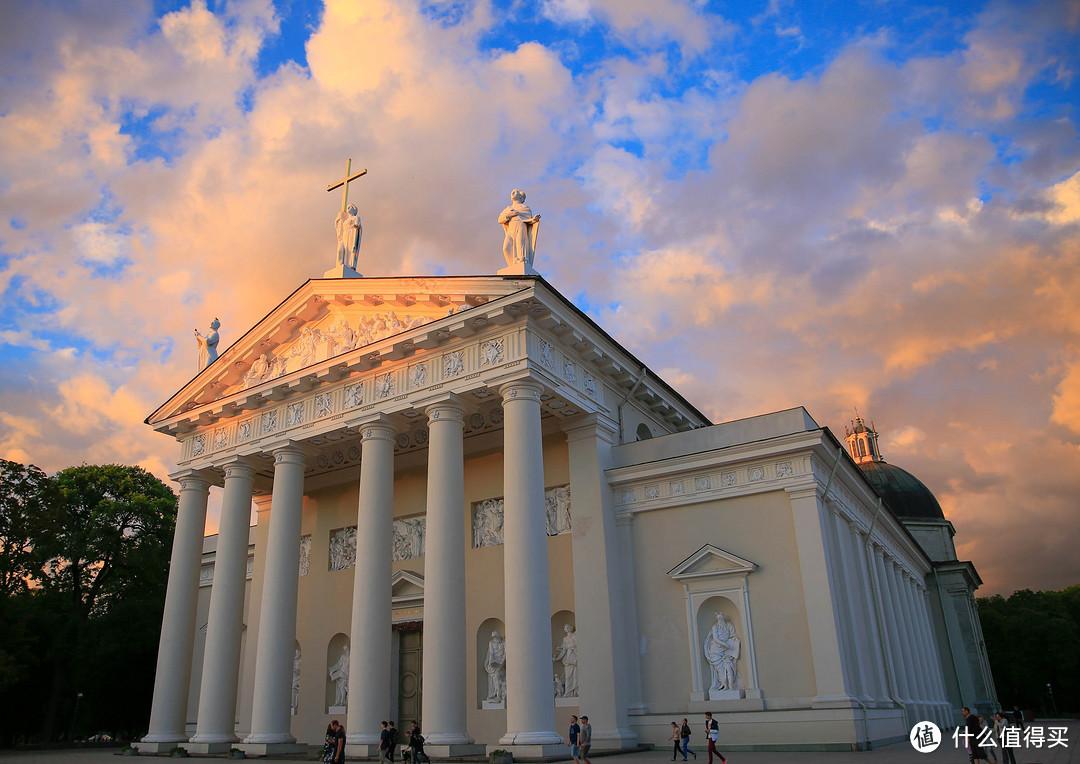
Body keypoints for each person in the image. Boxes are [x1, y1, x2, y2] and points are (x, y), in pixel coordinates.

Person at [498, 189, 541, 268]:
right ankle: (512, 266)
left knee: (520, 245)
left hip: (521, 225)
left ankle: (520, 263)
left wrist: (534, 220)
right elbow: (500, 220)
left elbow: (527, 219)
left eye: (516, 192)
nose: (513, 193)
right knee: (506, 248)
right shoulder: (508, 208)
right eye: (512, 192)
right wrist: (509, 215)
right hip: (511, 228)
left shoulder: (525, 208)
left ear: (521, 197)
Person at [704, 613, 740, 691]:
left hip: (726, 650)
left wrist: (734, 643)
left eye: (721, 619)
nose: (720, 620)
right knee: (720, 669)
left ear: (723, 618)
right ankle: (724, 685)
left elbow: (733, 636)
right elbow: (716, 639)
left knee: (729, 668)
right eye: (719, 619)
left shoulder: (728, 626)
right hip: (715, 650)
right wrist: (725, 644)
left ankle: (730, 686)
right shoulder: (715, 627)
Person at [552, 624, 578, 696]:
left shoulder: (575, 636)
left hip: (574, 655)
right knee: (568, 676)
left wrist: (576, 658)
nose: (566, 628)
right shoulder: (565, 639)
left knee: (575, 675)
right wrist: (556, 659)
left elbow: (578, 646)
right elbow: (564, 651)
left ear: (571, 628)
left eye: (568, 627)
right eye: (565, 627)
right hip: (568, 658)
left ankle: (575, 691)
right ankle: (568, 692)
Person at [335, 203, 362, 269]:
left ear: (354, 209)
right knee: (341, 250)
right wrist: (339, 219)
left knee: (350, 249)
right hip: (345, 235)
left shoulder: (356, 217)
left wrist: (356, 226)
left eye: (350, 207)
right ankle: (341, 264)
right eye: (347, 207)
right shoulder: (345, 220)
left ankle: (350, 265)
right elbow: (339, 228)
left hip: (352, 234)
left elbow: (358, 225)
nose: (348, 209)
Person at [485, 631, 507, 701]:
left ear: (497, 636)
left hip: (501, 663)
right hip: (494, 663)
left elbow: (505, 653)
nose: (494, 639)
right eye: (493, 637)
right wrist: (491, 662)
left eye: (495, 637)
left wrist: (502, 662)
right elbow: (491, 653)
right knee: (494, 679)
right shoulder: (491, 643)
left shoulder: (503, 642)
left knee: (498, 678)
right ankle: (494, 694)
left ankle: (498, 695)